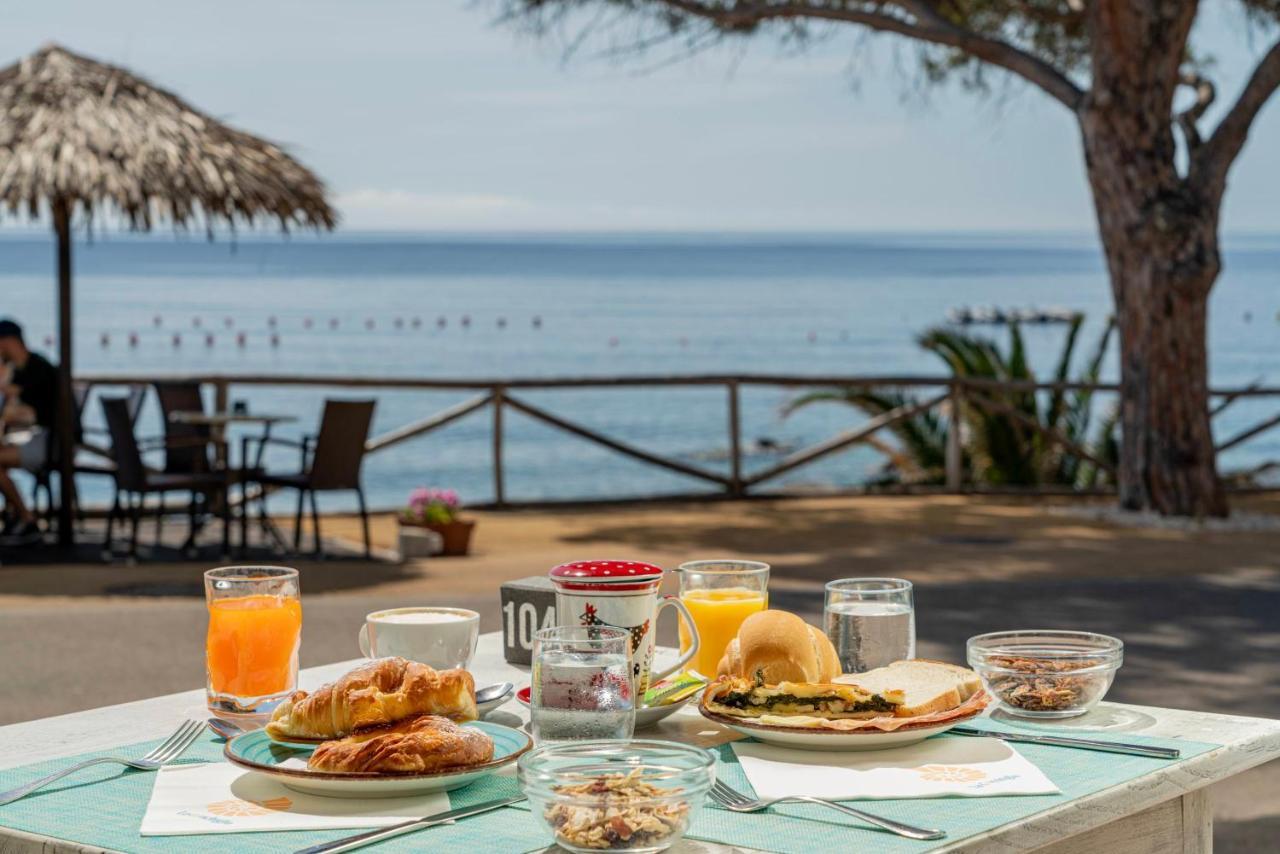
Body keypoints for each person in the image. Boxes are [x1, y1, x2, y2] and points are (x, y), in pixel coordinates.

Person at [0, 319, 60, 544]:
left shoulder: (38, 368)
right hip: (43, 437)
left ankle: (26, 519)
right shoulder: (25, 368)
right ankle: (16, 516)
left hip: (55, 442)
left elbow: (21, 411)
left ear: (7, 342)